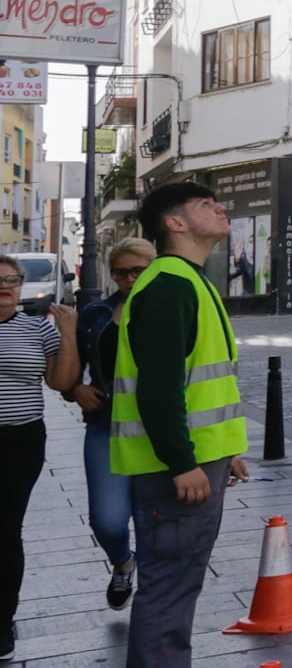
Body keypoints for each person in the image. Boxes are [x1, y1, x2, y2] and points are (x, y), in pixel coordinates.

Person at [113, 182, 251, 668]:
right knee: (168, 589)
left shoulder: (188, 282)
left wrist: (223, 451)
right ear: (174, 223)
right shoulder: (169, 286)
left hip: (195, 462)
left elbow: (201, 382)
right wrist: (183, 462)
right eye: (204, 205)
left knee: (178, 586)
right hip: (173, 471)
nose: (220, 209)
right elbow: (160, 389)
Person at [69, 238, 156, 611]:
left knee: (157, 524)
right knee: (107, 520)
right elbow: (70, 369)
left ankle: (157, 605)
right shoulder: (95, 314)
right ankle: (123, 562)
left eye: (138, 270)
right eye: (121, 271)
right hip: (106, 426)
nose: (129, 278)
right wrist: (75, 390)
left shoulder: (172, 310)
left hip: (159, 430)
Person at [0, 254, 79, 660]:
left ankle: (2, 620)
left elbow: (62, 381)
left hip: (20, 442)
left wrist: (67, 333)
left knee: (6, 529)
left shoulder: (36, 329)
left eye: (12, 280)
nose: (6, 287)